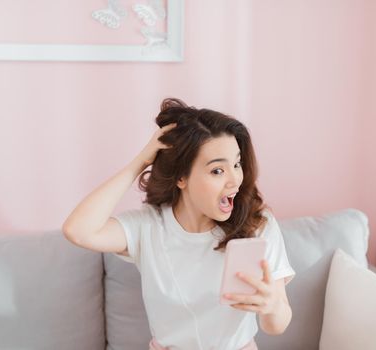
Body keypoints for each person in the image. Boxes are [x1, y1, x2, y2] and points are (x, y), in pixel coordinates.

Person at [62, 98, 295, 350]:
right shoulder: (148, 227)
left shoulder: (257, 224)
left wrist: (272, 305)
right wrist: (140, 161)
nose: (234, 181)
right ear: (182, 177)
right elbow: (78, 230)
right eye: (217, 170)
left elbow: (276, 326)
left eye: (236, 164)